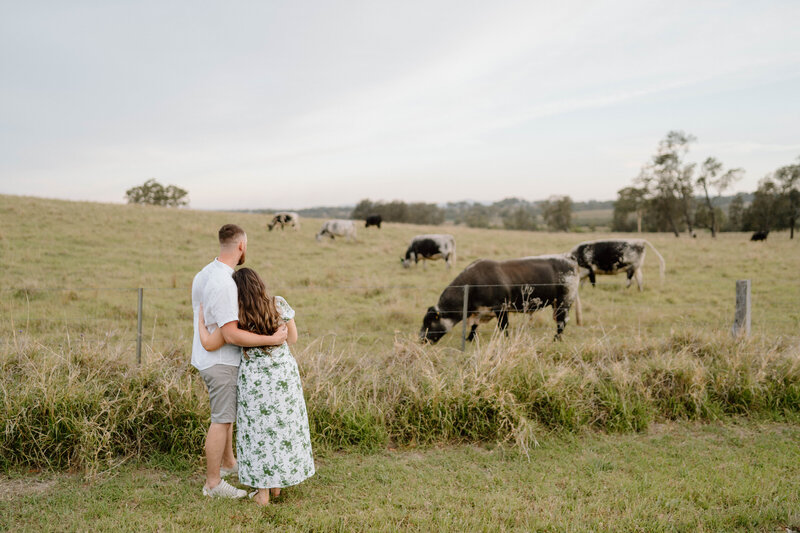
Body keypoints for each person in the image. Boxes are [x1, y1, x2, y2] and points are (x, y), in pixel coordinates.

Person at [198, 267, 315, 506]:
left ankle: (262, 492)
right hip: (283, 375)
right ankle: (276, 486)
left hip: (256, 381)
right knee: (281, 427)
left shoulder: (236, 315)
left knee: (258, 432)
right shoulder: (278, 304)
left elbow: (209, 344)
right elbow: (292, 338)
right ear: (260, 284)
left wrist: (199, 320)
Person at [191, 224, 288, 499]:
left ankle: (229, 463)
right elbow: (230, 333)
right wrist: (271, 340)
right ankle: (213, 484)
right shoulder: (225, 283)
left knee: (228, 416)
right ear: (241, 246)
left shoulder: (205, 273)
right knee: (221, 420)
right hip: (220, 360)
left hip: (208, 355)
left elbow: (210, 323)